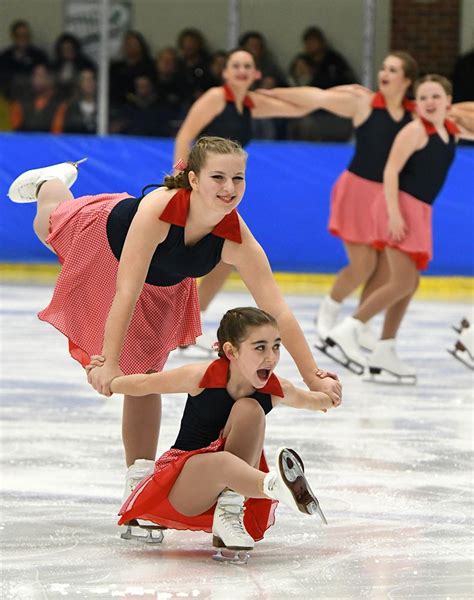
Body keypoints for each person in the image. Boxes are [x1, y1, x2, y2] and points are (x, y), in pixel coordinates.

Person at [7, 136, 341, 505]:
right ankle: (49, 183)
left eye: (238, 179)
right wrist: (110, 362)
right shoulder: (158, 210)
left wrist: (314, 376)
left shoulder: (236, 238)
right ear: (194, 180)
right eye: (218, 178)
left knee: (147, 374)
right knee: (48, 224)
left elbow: (278, 310)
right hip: (104, 248)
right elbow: (126, 291)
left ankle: (138, 478)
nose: (229, 189)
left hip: (162, 286)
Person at [87, 307, 336, 561]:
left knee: (250, 409)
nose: (271, 357)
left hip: (232, 485)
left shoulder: (275, 389)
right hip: (185, 489)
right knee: (222, 463)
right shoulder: (201, 376)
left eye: (276, 347)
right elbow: (143, 384)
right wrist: (105, 379)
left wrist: (328, 389)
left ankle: (230, 512)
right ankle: (273, 486)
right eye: (260, 347)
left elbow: (313, 401)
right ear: (231, 351)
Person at [259, 51, 419, 354]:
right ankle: (328, 312)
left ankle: (362, 326)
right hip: (357, 191)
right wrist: (274, 92)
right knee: (362, 265)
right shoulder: (364, 102)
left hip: (389, 196)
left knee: (385, 269)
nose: (384, 73)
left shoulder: (415, 114)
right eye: (383, 67)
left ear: (407, 81)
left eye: (393, 70)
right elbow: (316, 98)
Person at [325, 75, 474, 382]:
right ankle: (347, 330)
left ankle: (384, 349)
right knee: (403, 282)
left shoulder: (451, 129)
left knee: (410, 282)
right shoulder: (415, 130)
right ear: (416, 104)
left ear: (448, 102)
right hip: (399, 207)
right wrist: (394, 213)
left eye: (436, 97)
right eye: (423, 98)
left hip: (419, 210)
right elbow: (391, 170)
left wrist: (455, 114)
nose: (429, 103)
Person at [173, 48, 319, 354]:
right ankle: (180, 326)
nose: (241, 70)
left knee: (224, 262)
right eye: (235, 65)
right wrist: (183, 181)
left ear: (255, 74)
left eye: (247, 66)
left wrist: (304, 95)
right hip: (201, 191)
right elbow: (185, 134)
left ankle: (186, 326)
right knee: (192, 257)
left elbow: (298, 108)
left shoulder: (251, 104)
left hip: (222, 195)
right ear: (225, 72)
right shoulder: (216, 97)